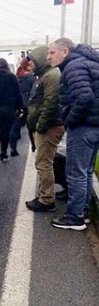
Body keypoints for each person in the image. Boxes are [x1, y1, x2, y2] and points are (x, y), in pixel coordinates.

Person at [48, 38, 99, 230]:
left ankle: (75, 217)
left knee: (75, 173)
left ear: (65, 52)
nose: (49, 57)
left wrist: (70, 119)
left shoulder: (73, 67)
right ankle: (83, 212)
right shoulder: (89, 62)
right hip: (94, 126)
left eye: (52, 53)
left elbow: (84, 97)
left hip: (83, 127)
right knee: (85, 172)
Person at [25, 46, 65, 213]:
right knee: (46, 161)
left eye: (32, 61)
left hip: (50, 126)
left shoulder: (51, 76)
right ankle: (44, 194)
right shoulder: (45, 75)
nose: (30, 65)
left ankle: (47, 200)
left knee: (43, 163)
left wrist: (41, 125)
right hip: (48, 125)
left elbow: (50, 103)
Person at [0, 58, 23, 164]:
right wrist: (20, 108)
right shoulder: (12, 77)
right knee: (6, 132)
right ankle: (3, 153)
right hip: (9, 108)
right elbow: (17, 94)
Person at [10, 58, 36, 156]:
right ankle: (34, 145)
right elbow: (34, 92)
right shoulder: (32, 78)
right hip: (29, 104)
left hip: (18, 103)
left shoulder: (17, 76)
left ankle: (13, 146)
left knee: (16, 124)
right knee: (31, 125)